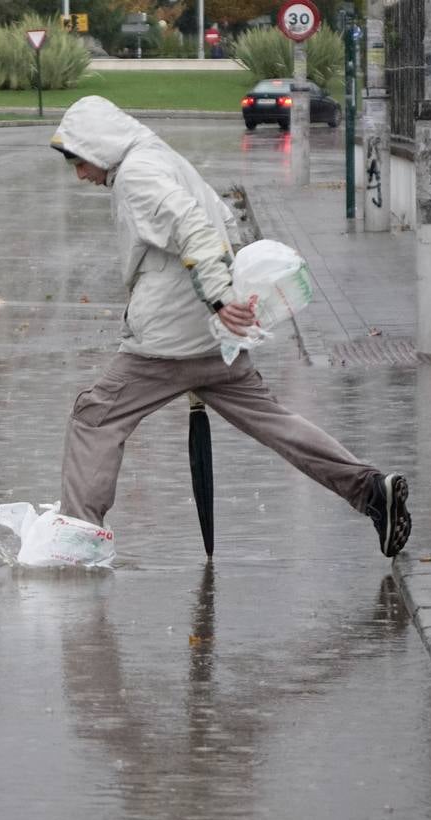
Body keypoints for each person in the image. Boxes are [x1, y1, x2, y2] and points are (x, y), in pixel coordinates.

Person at [50, 96, 411, 558]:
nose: (80, 174)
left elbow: (195, 229)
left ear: (98, 147)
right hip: (211, 336)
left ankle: (78, 539)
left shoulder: (138, 175)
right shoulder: (158, 157)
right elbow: (222, 224)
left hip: (169, 341)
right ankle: (370, 488)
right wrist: (219, 309)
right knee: (275, 422)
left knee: (94, 417)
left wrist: (218, 298)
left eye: (79, 162)